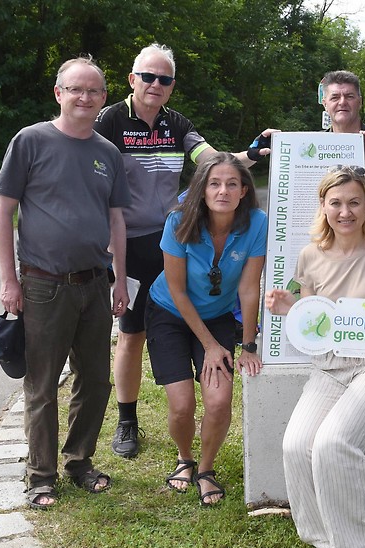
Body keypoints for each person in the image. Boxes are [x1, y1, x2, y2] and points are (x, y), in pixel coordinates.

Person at [94, 43, 272, 459]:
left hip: (174, 235)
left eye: (165, 79)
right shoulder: (112, 120)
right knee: (132, 334)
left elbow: (211, 161)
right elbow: (90, 173)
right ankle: (127, 420)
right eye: (148, 77)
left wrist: (249, 155)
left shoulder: (177, 124)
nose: (156, 85)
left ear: (172, 86)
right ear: (132, 79)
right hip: (128, 243)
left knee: (179, 304)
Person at [0, 56, 131, 509]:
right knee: (43, 384)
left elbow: (117, 220)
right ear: (59, 93)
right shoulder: (30, 140)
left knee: (95, 380)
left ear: (103, 98)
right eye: (75, 89)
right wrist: (8, 281)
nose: (84, 97)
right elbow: (2, 211)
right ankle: (40, 476)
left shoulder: (108, 153)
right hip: (42, 284)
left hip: (95, 283)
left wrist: (121, 282)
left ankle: (79, 462)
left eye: (93, 91)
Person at [265, 167, 365, 548]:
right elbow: (316, 321)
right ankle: (327, 537)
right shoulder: (310, 256)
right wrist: (288, 308)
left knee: (334, 443)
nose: (345, 211)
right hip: (330, 368)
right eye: (336, 202)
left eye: (354, 202)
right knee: (297, 445)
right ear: (323, 206)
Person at [144, 152, 265, 506]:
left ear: (244, 190)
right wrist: (212, 346)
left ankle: (206, 470)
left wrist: (248, 345)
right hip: (169, 312)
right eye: (214, 183)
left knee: (218, 401)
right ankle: (185, 458)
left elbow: (248, 288)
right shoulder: (179, 221)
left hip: (217, 316)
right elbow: (178, 291)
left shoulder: (256, 222)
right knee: (181, 405)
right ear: (201, 189)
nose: (222, 191)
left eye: (232, 184)